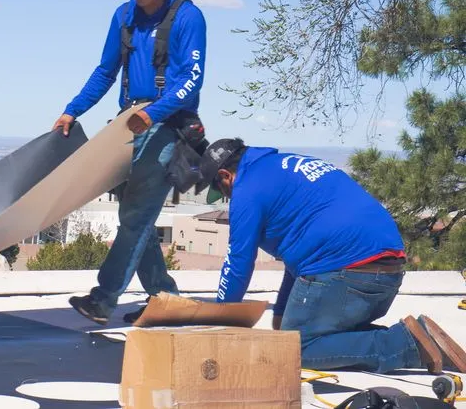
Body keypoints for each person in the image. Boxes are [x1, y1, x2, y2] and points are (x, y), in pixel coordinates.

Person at [200, 137, 466, 373]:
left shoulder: (246, 189)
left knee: (296, 349)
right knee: (315, 338)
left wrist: (218, 322)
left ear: (226, 176)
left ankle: (406, 345)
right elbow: (301, 261)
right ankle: (424, 340)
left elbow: (238, 262)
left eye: (222, 191)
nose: (227, 198)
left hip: (346, 274)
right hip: (388, 272)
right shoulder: (287, 165)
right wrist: (282, 312)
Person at [55, 0, 207, 325]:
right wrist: (72, 109)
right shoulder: (123, 16)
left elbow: (192, 80)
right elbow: (105, 71)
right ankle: (167, 299)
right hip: (128, 121)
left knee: (137, 215)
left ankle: (104, 299)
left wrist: (153, 113)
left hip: (167, 122)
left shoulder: (189, 17)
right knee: (132, 215)